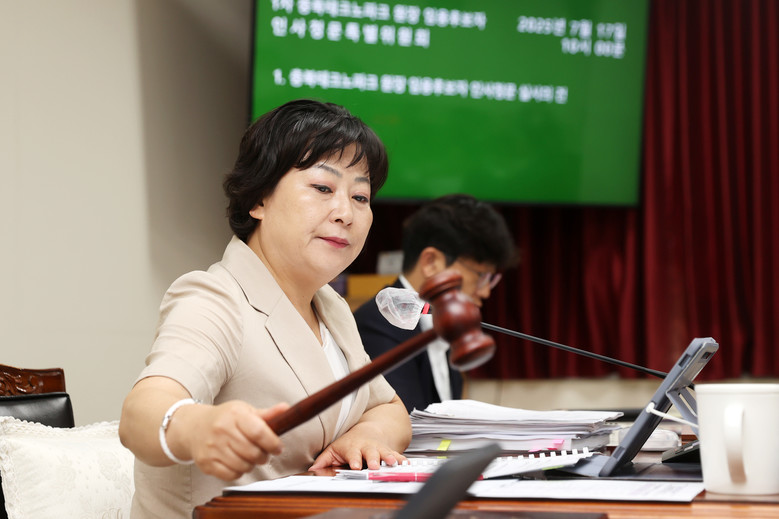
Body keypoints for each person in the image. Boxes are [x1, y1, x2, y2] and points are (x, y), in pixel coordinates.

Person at [119, 99, 411, 518]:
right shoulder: (214, 297)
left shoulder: (330, 306)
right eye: (323, 188)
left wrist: (366, 436)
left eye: (360, 196)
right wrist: (197, 427)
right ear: (258, 198)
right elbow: (141, 414)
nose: (345, 213)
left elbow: (388, 408)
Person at [353, 194, 516, 413]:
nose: (486, 292)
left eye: (491, 278)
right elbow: (407, 423)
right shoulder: (378, 324)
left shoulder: (445, 322)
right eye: (481, 276)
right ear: (431, 262)